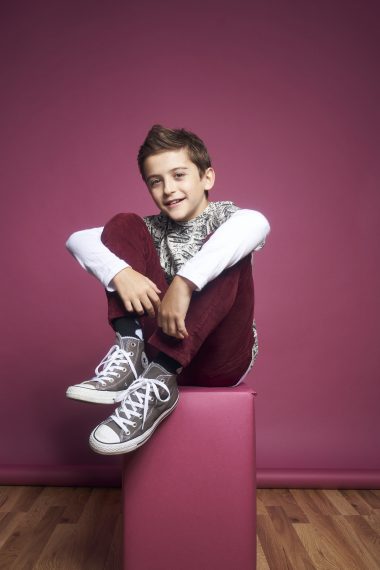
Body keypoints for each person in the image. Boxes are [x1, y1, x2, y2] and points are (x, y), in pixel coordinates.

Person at [65, 124, 270, 455]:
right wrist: (121, 272)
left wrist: (185, 283)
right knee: (122, 223)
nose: (168, 189)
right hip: (153, 349)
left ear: (207, 178)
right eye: (155, 181)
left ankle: (162, 372)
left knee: (233, 254)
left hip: (219, 361)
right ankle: (132, 356)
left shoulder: (229, 218)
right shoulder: (149, 229)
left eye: (178, 175)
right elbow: (79, 239)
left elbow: (256, 222)